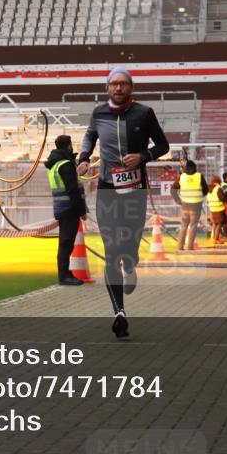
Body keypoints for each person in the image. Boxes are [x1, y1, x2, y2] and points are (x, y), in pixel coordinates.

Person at [77, 67, 169, 338]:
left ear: (131, 87)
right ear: (107, 87)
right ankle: (119, 312)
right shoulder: (98, 113)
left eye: (123, 83)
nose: (118, 88)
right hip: (107, 187)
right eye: (114, 84)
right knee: (111, 250)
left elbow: (163, 145)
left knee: (129, 244)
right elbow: (90, 136)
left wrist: (143, 156)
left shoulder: (144, 113)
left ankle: (130, 265)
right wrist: (84, 157)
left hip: (135, 189)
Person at [45, 135, 87, 286]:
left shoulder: (55, 164)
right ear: (69, 146)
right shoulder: (66, 164)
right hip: (70, 208)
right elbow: (72, 190)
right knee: (66, 243)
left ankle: (65, 274)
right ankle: (64, 276)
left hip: (61, 207)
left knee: (65, 242)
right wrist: (82, 211)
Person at [172, 160, 208, 252]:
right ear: (195, 167)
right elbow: (206, 190)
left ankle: (180, 247)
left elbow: (173, 189)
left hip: (185, 205)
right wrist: (200, 195)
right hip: (196, 205)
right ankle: (189, 247)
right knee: (193, 225)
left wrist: (178, 200)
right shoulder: (199, 176)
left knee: (183, 226)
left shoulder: (182, 177)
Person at [207, 176, 227, 245]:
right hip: (219, 208)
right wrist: (225, 195)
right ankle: (216, 239)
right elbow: (222, 198)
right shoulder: (218, 188)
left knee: (215, 223)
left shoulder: (209, 188)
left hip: (212, 208)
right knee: (219, 224)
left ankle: (214, 238)